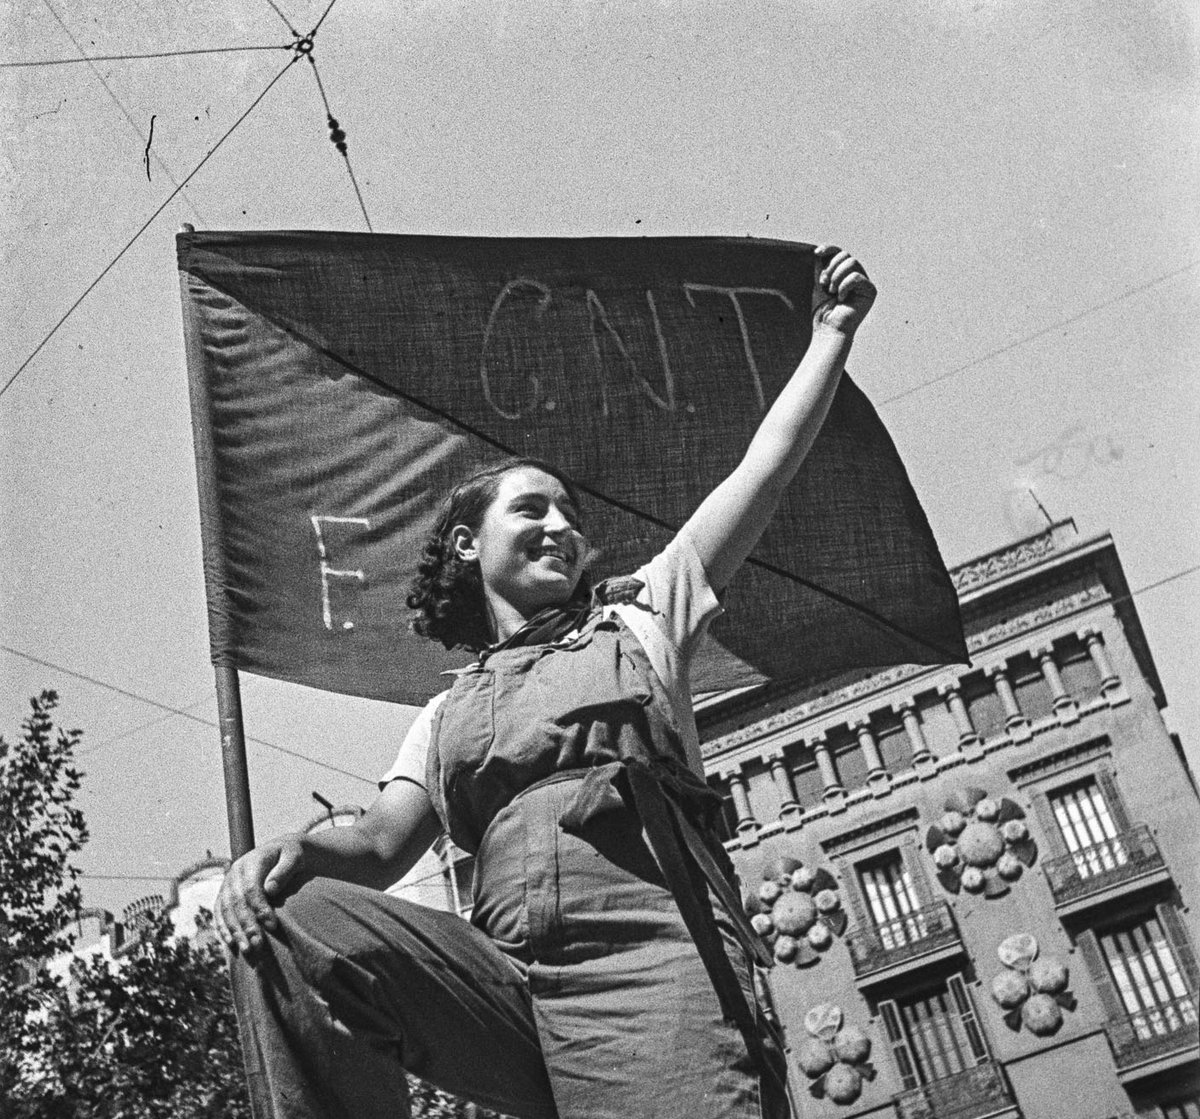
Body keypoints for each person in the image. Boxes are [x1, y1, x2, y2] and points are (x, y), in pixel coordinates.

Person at [215, 245, 876, 1119]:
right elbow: (379, 843)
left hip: (657, 971)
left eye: (570, 513)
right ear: (466, 543)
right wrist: (291, 854)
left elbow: (765, 469)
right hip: (510, 981)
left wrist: (832, 334)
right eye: (531, 508)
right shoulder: (446, 711)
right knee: (289, 925)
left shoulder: (641, 618)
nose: (561, 525)